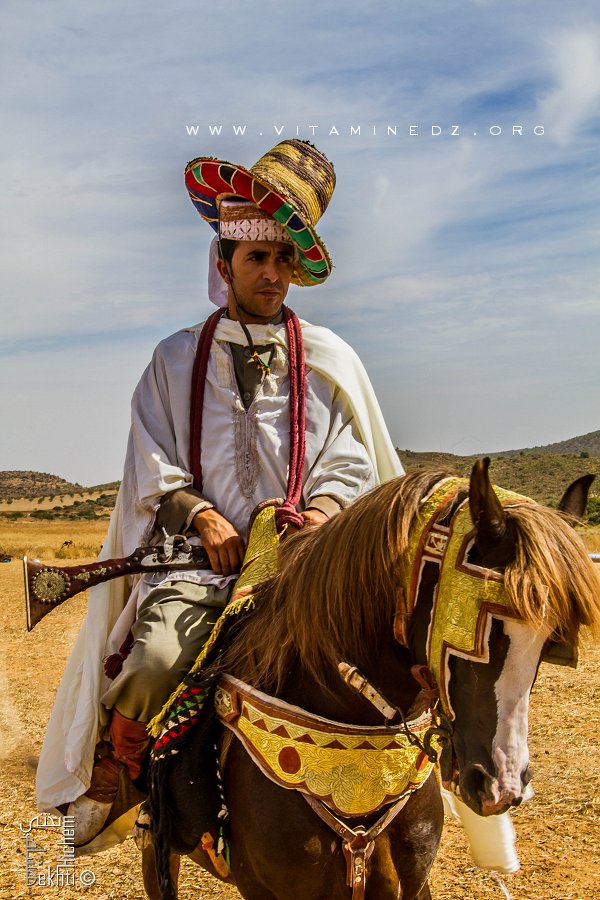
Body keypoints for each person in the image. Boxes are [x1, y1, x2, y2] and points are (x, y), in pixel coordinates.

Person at [36, 139, 404, 851]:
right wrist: (202, 514)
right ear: (223, 263)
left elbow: (349, 459)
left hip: (301, 569)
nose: (272, 274)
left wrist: (321, 515)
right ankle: (118, 776)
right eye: (256, 258)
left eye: (283, 260)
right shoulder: (174, 359)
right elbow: (152, 460)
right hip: (197, 567)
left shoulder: (330, 359)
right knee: (153, 661)